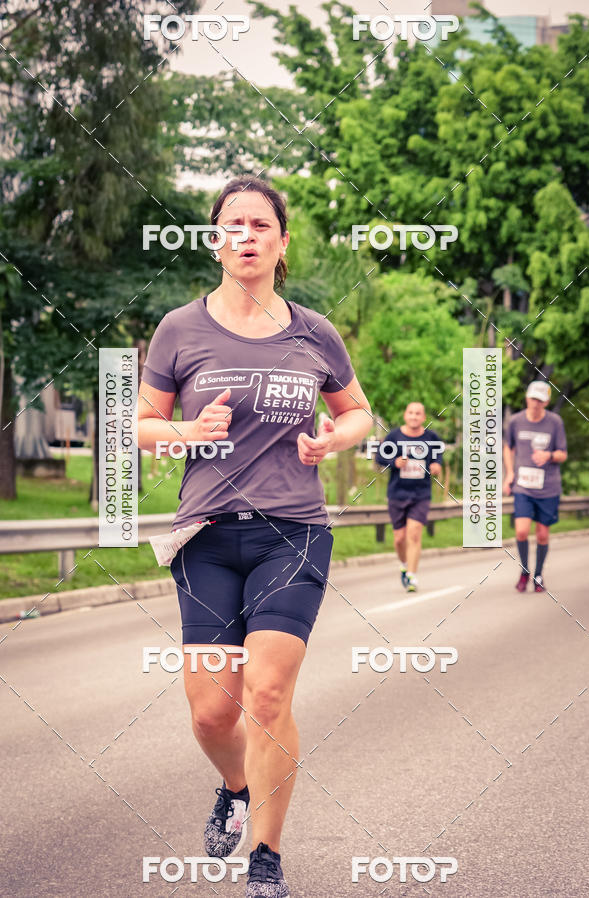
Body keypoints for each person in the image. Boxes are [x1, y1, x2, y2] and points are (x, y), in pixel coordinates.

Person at [137, 176, 372, 898]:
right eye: (233, 224)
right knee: (213, 711)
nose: (246, 235)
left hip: (292, 533)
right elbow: (141, 426)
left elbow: (360, 411)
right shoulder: (180, 328)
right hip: (205, 538)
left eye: (260, 225)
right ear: (216, 241)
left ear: (281, 242)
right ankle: (234, 787)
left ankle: (266, 857)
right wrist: (186, 431)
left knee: (266, 696)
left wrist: (335, 441)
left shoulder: (313, 330)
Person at [503, 381, 567, 593]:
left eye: (540, 399)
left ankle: (538, 574)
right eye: (533, 398)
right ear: (527, 398)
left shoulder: (555, 422)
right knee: (521, 531)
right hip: (523, 487)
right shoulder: (516, 421)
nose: (536, 403)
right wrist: (510, 473)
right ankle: (524, 570)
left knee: (541, 535)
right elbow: (507, 448)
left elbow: (562, 454)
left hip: (548, 487)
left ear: (546, 401)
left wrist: (548, 455)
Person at [374, 402, 444, 592]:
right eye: (411, 413)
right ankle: (404, 564)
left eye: (418, 413)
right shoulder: (394, 436)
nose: (414, 416)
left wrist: (437, 466)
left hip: (421, 493)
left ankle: (412, 576)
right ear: (406, 415)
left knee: (413, 534)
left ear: (423, 418)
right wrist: (394, 461)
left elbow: (438, 457)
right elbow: (379, 457)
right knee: (399, 538)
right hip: (397, 493)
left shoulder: (431, 438)